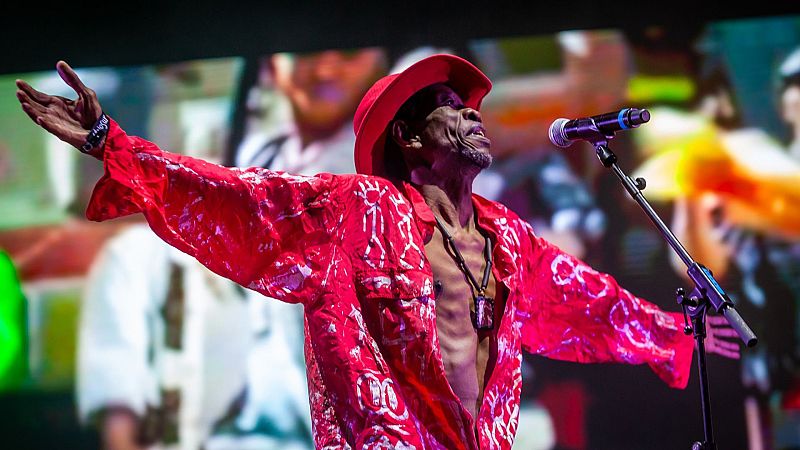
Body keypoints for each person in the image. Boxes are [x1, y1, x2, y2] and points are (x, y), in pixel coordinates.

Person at [16, 54, 740, 450]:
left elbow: (589, 305)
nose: (472, 115)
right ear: (410, 138)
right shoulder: (354, 212)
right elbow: (234, 198)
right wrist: (114, 141)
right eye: (452, 108)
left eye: (471, 103)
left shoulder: (508, 239)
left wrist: (679, 331)